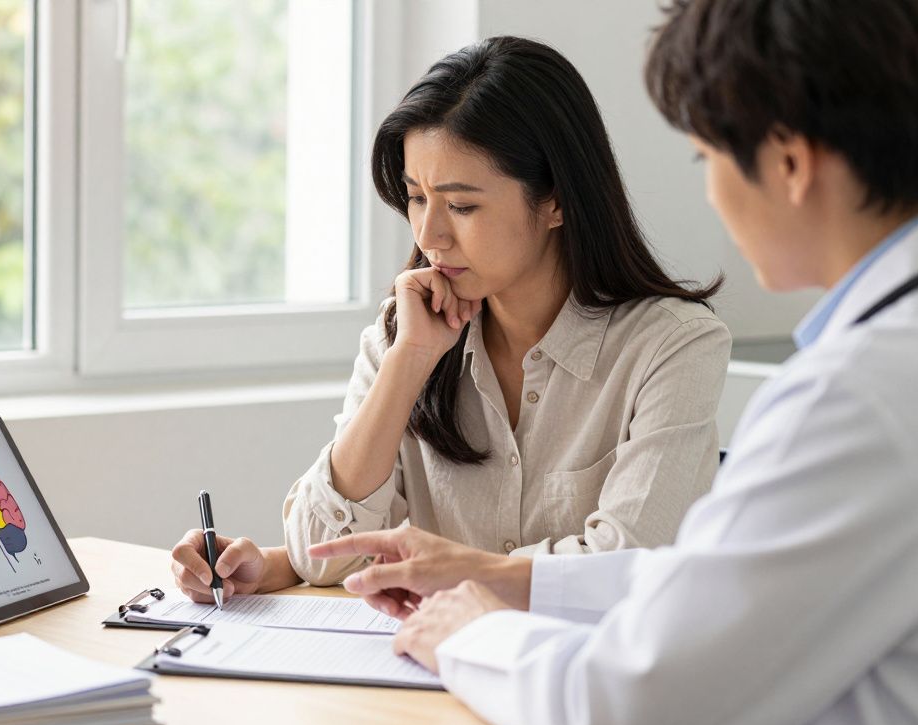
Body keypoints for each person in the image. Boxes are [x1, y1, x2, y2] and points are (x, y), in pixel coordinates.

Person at [311, 0, 918, 725]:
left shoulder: (855, 398)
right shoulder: (892, 364)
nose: (430, 234)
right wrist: (493, 575)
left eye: (706, 157)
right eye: (415, 199)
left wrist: (469, 632)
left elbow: (638, 702)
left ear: (789, 164)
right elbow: (699, 582)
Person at [170, 37, 731, 602]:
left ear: (557, 200)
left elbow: (629, 567)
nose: (429, 235)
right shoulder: (405, 332)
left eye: (461, 205)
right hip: (421, 656)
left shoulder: (673, 347)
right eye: (416, 198)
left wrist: (448, 570)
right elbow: (321, 550)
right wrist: (408, 362)